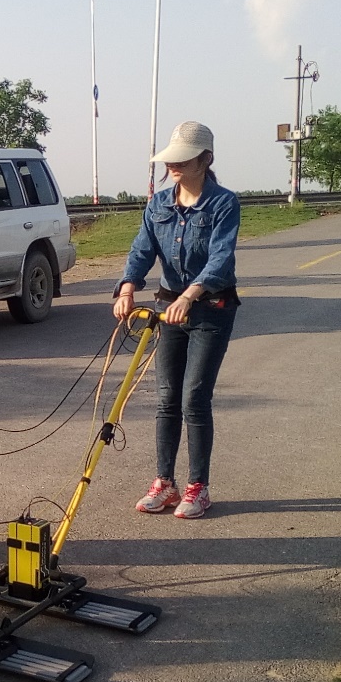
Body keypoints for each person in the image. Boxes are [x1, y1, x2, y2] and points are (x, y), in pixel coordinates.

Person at [112, 121, 241, 519]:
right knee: (167, 399)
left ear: (206, 159)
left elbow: (220, 259)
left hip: (210, 311)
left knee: (194, 400)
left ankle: (197, 488)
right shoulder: (159, 204)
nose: (174, 166)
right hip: (170, 311)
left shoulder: (222, 203)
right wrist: (128, 286)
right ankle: (164, 483)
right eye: (171, 160)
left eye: (183, 160)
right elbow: (142, 248)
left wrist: (191, 294)